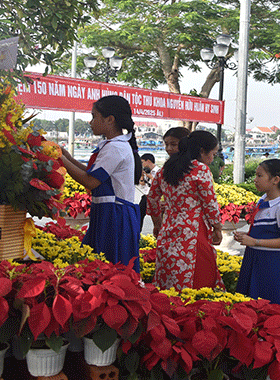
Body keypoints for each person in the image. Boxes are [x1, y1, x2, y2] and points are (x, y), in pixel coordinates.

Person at [60, 96, 142, 273]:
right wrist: (68, 158)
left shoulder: (115, 147)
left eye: (94, 116)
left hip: (114, 216)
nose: (90, 122)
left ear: (110, 119)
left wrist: (60, 159)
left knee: (108, 268)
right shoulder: (114, 145)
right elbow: (93, 173)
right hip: (109, 212)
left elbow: (90, 181)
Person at [147, 130, 223, 290]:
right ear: (202, 151)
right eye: (213, 153)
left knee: (168, 276)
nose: (213, 158)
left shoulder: (164, 169)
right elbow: (210, 204)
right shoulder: (200, 169)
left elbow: (152, 199)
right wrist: (217, 227)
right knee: (198, 279)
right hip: (193, 232)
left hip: (168, 229)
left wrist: (157, 223)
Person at [234, 159, 280, 312]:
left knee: (272, 309)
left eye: (260, 176)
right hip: (257, 259)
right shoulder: (263, 200)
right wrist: (248, 237)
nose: (255, 180)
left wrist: (255, 241)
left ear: (275, 180)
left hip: (274, 264)